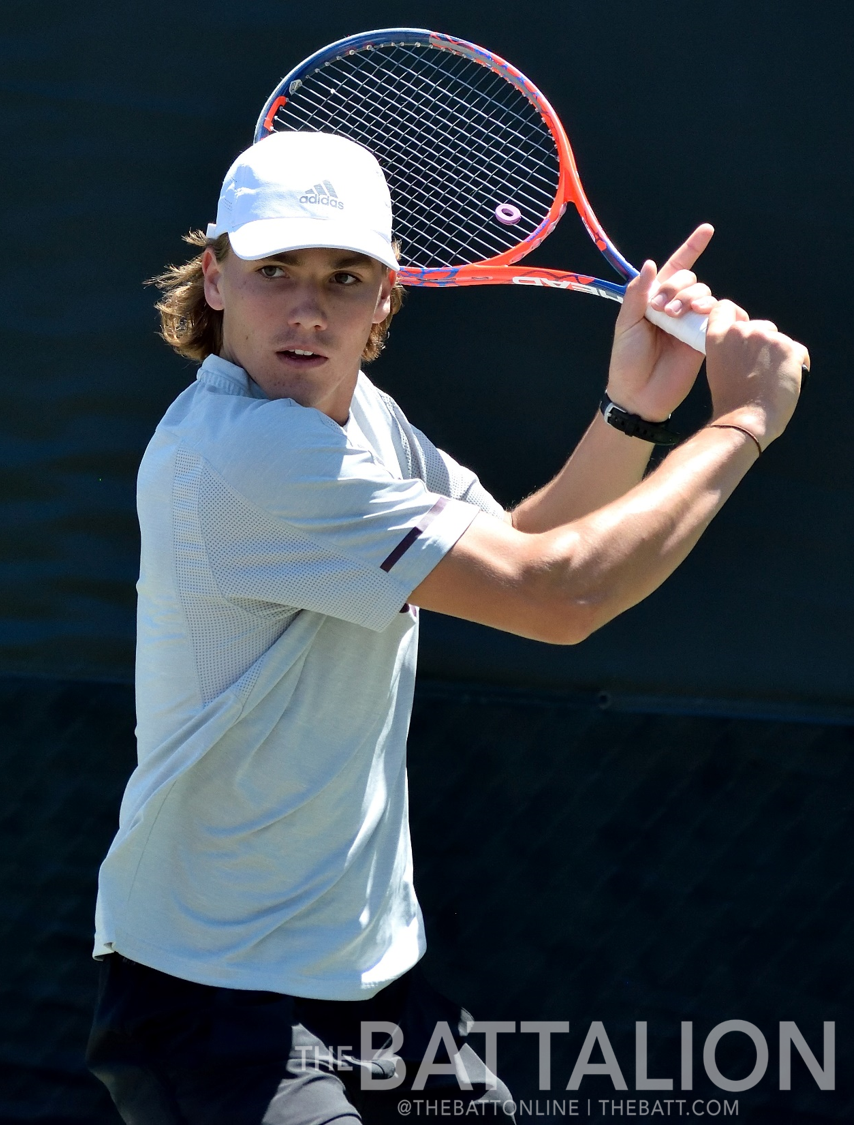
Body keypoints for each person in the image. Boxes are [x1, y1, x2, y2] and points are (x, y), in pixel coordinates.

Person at [85, 131, 807, 1124]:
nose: (307, 308)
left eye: (344, 277)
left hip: (365, 980)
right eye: (273, 272)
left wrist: (634, 410)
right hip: (212, 1000)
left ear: (387, 295)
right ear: (214, 279)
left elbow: (515, 546)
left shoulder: (360, 420)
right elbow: (560, 597)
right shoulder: (244, 458)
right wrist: (742, 424)